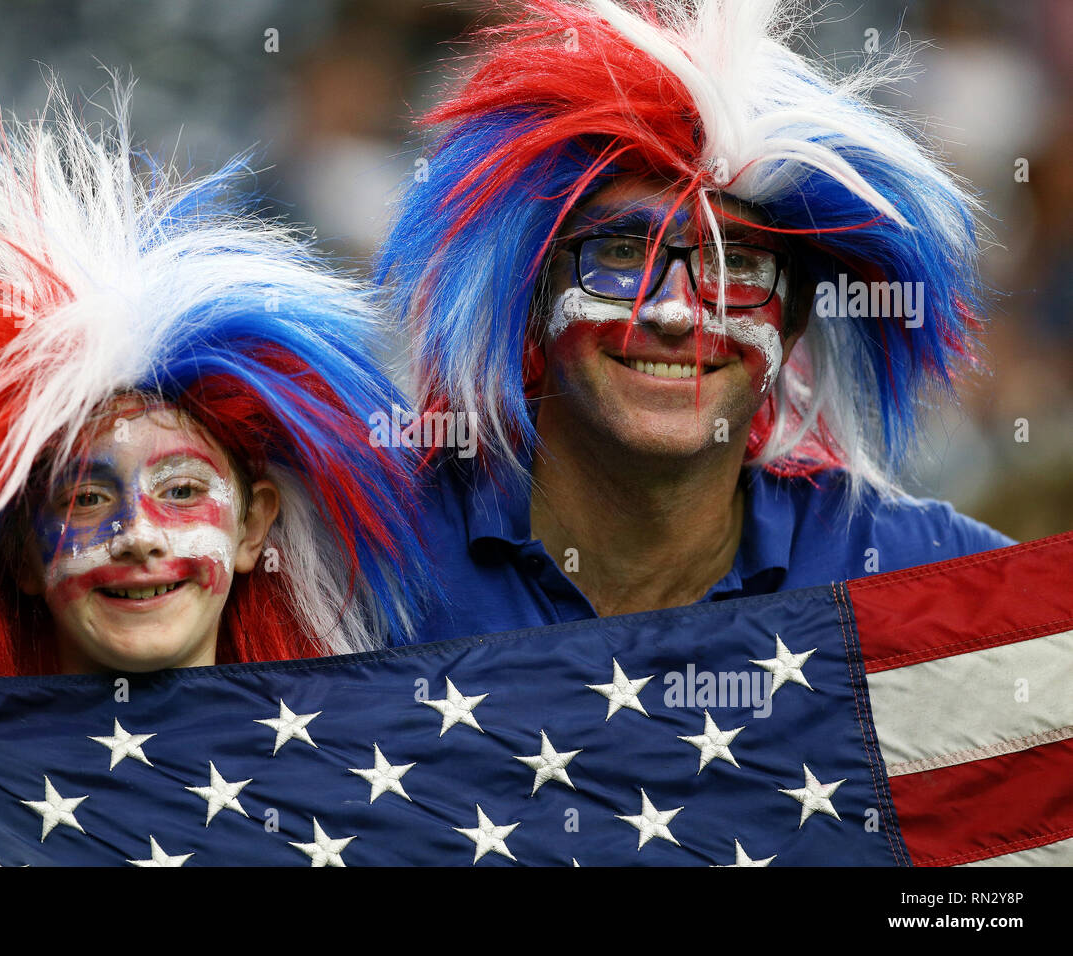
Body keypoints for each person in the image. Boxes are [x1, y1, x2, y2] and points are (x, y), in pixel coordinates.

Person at [0, 79, 429, 865]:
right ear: (18, 553)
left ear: (255, 525)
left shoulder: (365, 788)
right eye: (86, 497)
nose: (138, 536)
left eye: (183, 490)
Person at [376, 0, 1015, 643]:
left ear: (792, 321)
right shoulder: (366, 557)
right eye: (622, 252)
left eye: (735, 262)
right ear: (532, 297)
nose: (677, 311)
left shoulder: (924, 580)